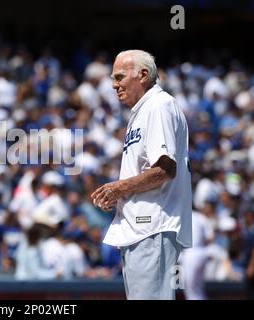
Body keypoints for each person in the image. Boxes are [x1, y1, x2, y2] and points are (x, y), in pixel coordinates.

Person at [90, 50, 192, 300]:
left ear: (143, 75)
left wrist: (120, 189)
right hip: (141, 229)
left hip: (153, 227)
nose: (114, 85)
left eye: (120, 77)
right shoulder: (143, 110)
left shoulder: (158, 105)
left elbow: (165, 170)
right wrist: (121, 196)